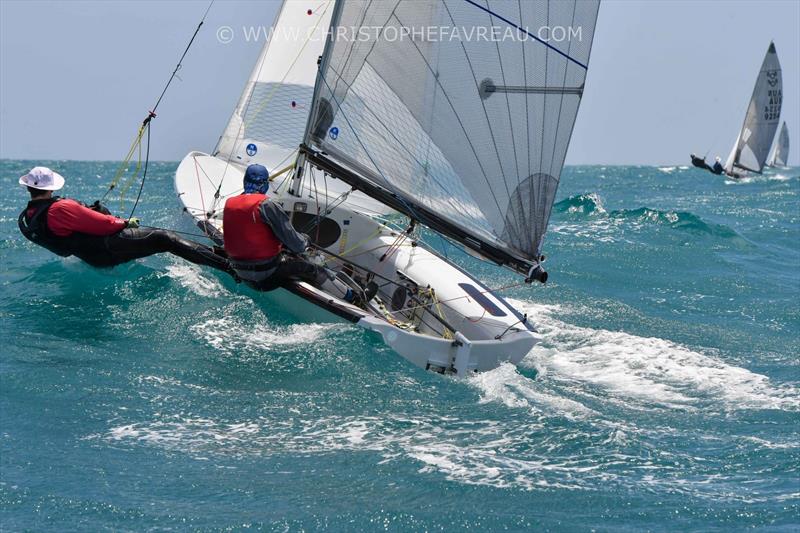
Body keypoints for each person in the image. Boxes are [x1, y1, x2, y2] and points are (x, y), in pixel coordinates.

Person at [18, 166, 234, 274]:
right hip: (107, 248)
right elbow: (104, 224)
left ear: (29, 187)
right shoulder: (61, 208)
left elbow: (66, 229)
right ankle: (229, 267)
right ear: (51, 187)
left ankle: (217, 254)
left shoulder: (28, 217)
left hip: (93, 258)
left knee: (160, 241)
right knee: (165, 238)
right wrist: (125, 223)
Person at [222, 164, 330, 291]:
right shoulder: (266, 204)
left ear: (245, 181)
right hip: (265, 276)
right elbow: (297, 246)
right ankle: (350, 296)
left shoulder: (229, 203)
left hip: (238, 270)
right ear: (264, 183)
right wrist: (306, 241)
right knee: (313, 269)